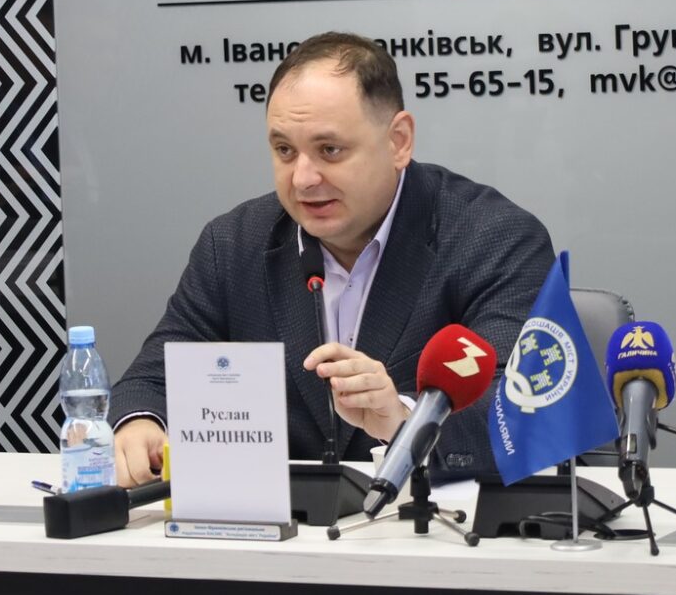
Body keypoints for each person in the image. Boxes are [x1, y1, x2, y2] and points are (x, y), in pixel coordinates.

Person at [109, 33, 555, 487]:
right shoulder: (234, 245)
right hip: (279, 523)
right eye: (285, 151)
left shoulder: (493, 238)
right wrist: (141, 423)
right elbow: (152, 380)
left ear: (398, 141)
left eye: (330, 150)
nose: (303, 179)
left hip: (436, 519)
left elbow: (523, 410)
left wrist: (402, 419)